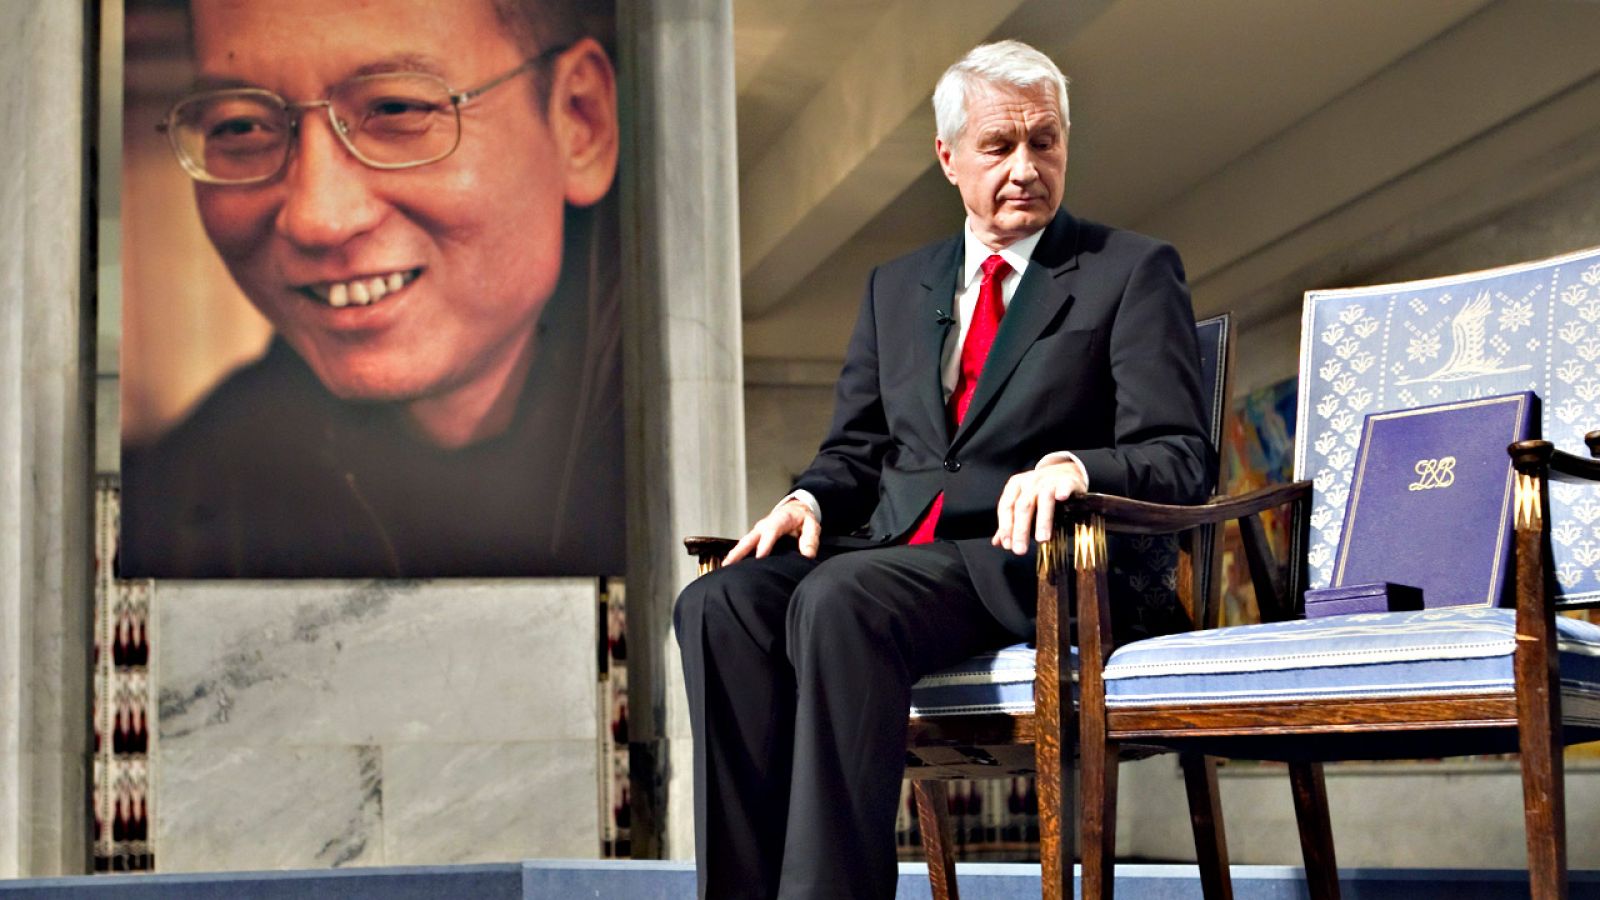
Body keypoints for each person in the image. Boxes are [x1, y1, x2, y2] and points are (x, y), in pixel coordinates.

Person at [673, 40, 1210, 900]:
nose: (1026, 167)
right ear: (949, 158)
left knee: (837, 600)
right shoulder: (896, 286)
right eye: (1001, 146)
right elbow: (856, 449)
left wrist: (1072, 466)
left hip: (1024, 565)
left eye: (1046, 141)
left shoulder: (1129, 270)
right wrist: (807, 498)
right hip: (891, 549)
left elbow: (1181, 457)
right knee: (715, 602)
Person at [119, 0, 623, 578]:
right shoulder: (180, 505)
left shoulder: (707, 439)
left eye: (396, 108)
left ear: (579, 121)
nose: (317, 218)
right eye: (241, 126)